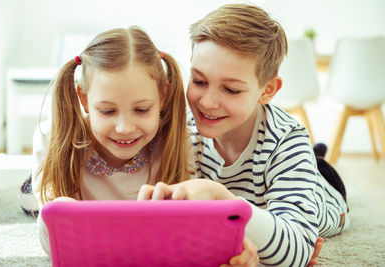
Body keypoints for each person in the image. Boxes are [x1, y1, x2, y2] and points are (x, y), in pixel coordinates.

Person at [22, 26, 257, 266]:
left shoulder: (177, 141)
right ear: (83, 98)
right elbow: (53, 240)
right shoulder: (50, 135)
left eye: (141, 110)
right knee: (39, 202)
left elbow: (187, 230)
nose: (124, 127)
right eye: (107, 111)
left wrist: (231, 247)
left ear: (163, 96)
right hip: (55, 185)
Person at [138, 4, 349, 267]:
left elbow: (297, 250)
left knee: (320, 175)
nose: (207, 102)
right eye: (200, 81)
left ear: (267, 90)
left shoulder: (287, 139)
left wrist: (221, 198)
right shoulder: (185, 132)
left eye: (231, 89)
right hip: (263, 187)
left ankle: (317, 159)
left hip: (324, 192)